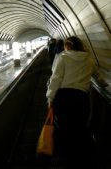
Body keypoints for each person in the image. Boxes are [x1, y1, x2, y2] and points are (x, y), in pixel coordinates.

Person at [46, 36, 108, 168]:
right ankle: (78, 158)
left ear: (68, 46)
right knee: (79, 128)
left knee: (63, 128)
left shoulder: (63, 58)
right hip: (81, 98)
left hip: (64, 97)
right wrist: (103, 84)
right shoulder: (89, 60)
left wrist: (50, 98)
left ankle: (64, 157)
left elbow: (56, 79)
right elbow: (98, 77)